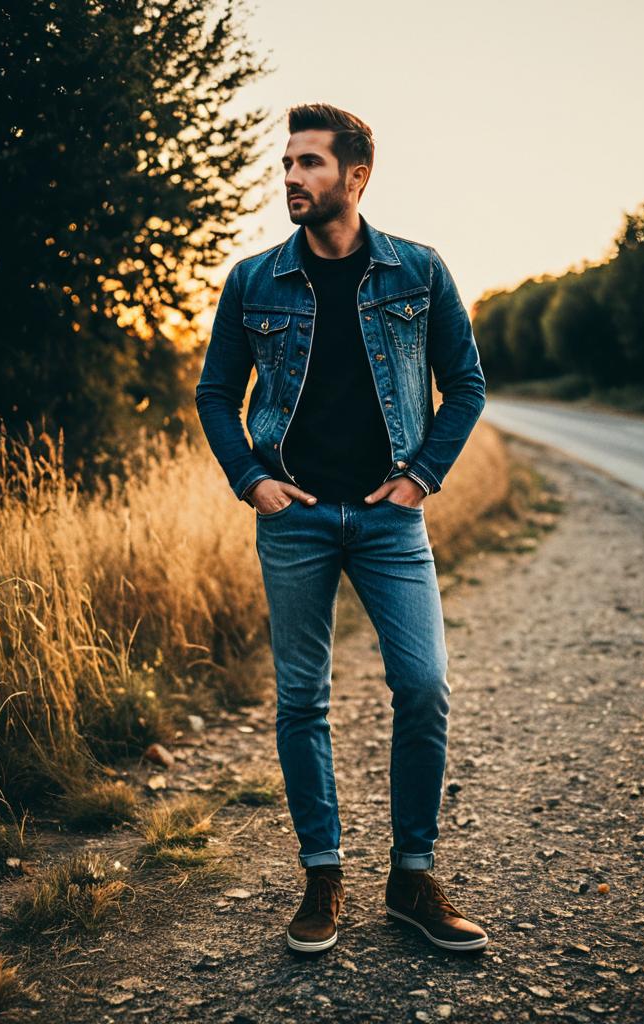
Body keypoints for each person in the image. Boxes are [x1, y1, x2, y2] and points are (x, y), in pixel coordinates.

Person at [195, 102, 489, 954]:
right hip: (295, 517)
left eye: (310, 164)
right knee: (301, 699)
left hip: (390, 520)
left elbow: (465, 385)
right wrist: (251, 480)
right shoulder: (253, 280)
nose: (291, 177)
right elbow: (217, 394)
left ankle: (411, 876)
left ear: (355, 177)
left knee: (425, 686)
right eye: (287, 163)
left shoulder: (418, 272)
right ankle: (322, 876)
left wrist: (419, 477)